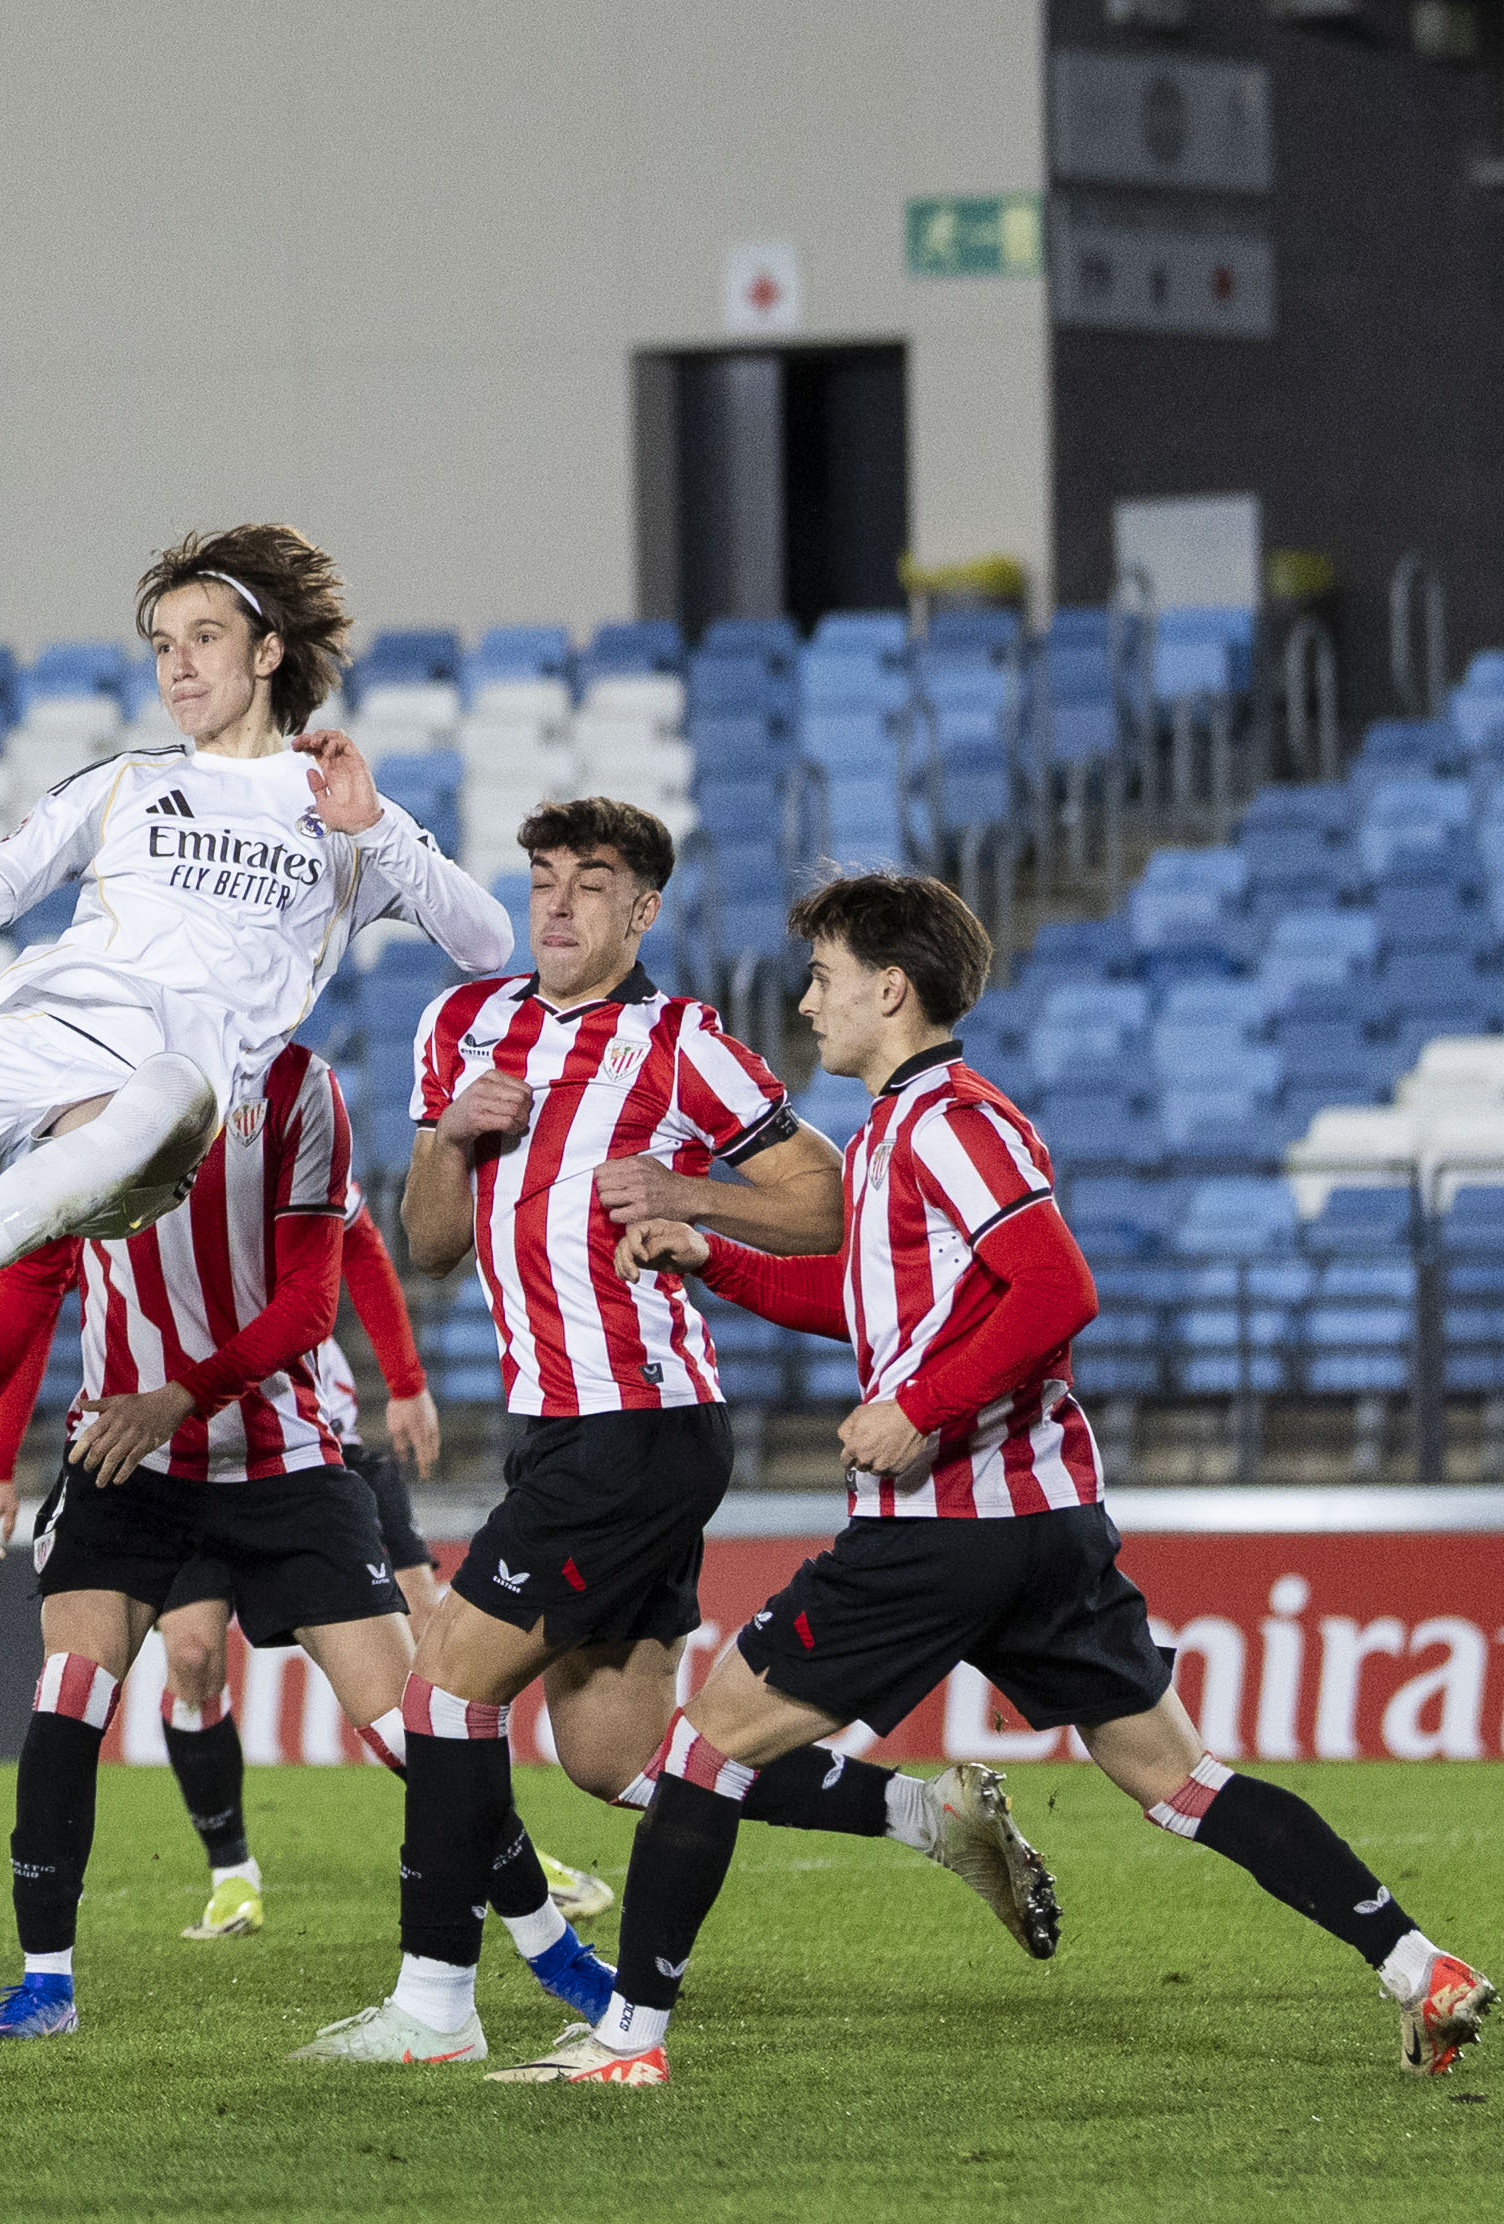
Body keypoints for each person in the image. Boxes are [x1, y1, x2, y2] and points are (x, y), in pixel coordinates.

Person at [501, 872, 1495, 2088]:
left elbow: (1057, 1287)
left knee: (706, 1750)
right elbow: (868, 1301)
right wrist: (714, 1254)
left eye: (822, 977)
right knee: (1180, 1780)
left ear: (889, 988)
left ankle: (628, 2042)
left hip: (940, 1530)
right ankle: (1417, 1967)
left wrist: (920, 1410)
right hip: (1048, 1530)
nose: (807, 1002)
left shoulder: (949, 1123)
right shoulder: (900, 1129)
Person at [296, 802, 1052, 2070]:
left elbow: (826, 1209)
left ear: (642, 912)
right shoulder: (461, 1026)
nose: (555, 905)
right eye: (541, 879)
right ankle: (929, 1817)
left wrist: (690, 1191)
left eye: (590, 884)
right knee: (617, 1756)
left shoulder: (683, 1044)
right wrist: (452, 1135)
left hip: (635, 1422)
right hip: (562, 1428)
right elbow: (429, 1242)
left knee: (443, 1692)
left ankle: (435, 2006)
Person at [0, 525, 510, 1435]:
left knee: (170, 1085)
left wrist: (375, 827)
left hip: (164, 1106)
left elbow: (486, 941)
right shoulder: (126, 783)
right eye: (164, 647)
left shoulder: (340, 815)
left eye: (203, 638)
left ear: (268, 650)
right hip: (30, 1047)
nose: (177, 666)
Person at [0, 1043, 614, 2042]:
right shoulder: (74, 1087)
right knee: (70, 1693)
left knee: (416, 1730)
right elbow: (32, 1276)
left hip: (284, 1464)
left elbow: (309, 1302)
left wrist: (182, 1397)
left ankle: (553, 1948)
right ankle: (44, 1983)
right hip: (124, 1464)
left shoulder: (297, 1088)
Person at [0, 1193, 610, 1940]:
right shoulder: (112, 1156)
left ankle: (515, 1858)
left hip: (308, 1448)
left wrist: (404, 1381)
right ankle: (231, 1875)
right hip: (165, 1468)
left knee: (419, 1669)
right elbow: (32, 1292)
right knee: (194, 1654)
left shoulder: (287, 1123)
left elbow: (358, 1245)